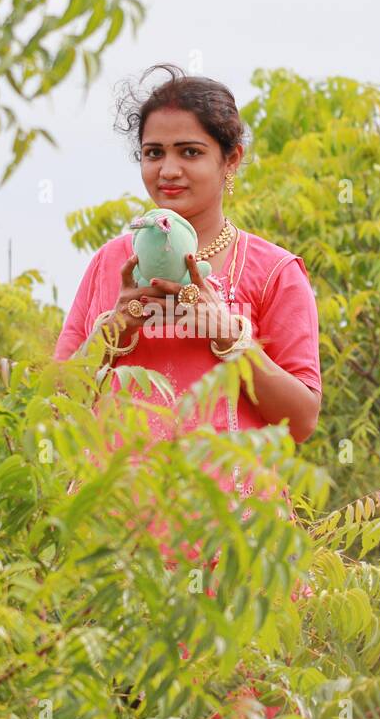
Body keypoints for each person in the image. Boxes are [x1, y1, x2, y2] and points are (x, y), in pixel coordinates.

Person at [53, 63, 322, 569]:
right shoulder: (110, 264)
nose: (168, 170)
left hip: (234, 540)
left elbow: (302, 420)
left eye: (190, 152)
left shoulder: (273, 272)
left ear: (231, 160)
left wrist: (230, 338)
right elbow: (56, 403)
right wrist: (116, 328)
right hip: (112, 541)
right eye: (154, 153)